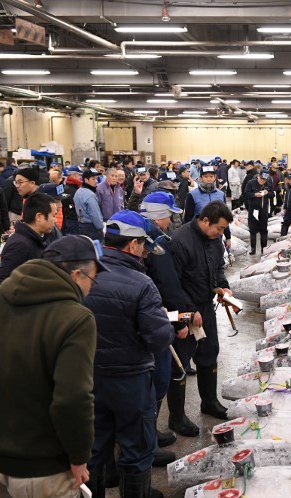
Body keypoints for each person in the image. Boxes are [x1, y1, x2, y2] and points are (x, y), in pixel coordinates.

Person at [0, 235, 106, 497]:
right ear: (75, 274)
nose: (91, 288)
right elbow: (72, 398)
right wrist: (79, 456)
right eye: (91, 280)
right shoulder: (75, 318)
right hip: (41, 469)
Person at [84, 210, 175, 497]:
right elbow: (159, 338)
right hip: (130, 380)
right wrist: (163, 321)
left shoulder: (83, 275)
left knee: (94, 447)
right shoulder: (141, 284)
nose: (146, 253)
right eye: (144, 246)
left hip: (88, 378)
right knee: (136, 449)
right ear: (133, 244)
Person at [139, 192, 200, 440]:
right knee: (159, 379)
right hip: (160, 319)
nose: (170, 221)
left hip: (147, 319)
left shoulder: (145, 238)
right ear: (158, 216)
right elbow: (168, 286)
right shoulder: (157, 245)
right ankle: (149, 435)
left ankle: (149, 433)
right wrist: (180, 321)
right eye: (168, 216)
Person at [171, 201, 233, 420]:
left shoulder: (215, 241)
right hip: (184, 312)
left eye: (224, 229)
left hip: (206, 308)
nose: (221, 233)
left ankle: (209, 402)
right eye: (219, 228)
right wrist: (187, 311)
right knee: (179, 361)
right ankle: (177, 417)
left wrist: (222, 287)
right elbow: (172, 284)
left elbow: (217, 268)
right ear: (206, 221)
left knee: (209, 353)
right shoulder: (180, 240)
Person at [0, 192, 58, 285]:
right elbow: (2, 282)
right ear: (39, 217)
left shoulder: (39, 239)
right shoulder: (20, 245)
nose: (56, 220)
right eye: (54, 215)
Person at [243, 170, 274, 254]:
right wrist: (254, 195)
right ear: (258, 176)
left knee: (264, 230)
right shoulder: (250, 183)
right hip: (253, 210)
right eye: (261, 178)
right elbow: (245, 194)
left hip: (264, 210)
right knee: (252, 230)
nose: (262, 181)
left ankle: (264, 249)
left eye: (264, 179)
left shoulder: (268, 184)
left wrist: (268, 193)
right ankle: (253, 249)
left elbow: (273, 195)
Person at [74, 168, 105, 242]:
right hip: (92, 228)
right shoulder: (90, 195)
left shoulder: (78, 191)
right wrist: (101, 228)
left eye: (96, 179)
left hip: (81, 225)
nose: (96, 181)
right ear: (86, 180)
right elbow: (95, 214)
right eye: (93, 179)